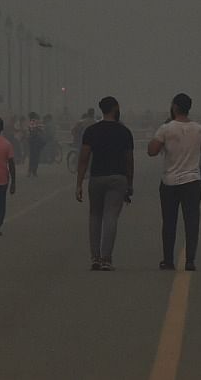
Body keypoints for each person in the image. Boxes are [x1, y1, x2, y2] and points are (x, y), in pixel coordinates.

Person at [148, 93, 201, 271]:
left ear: (175, 107)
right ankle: (190, 260)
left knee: (169, 222)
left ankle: (168, 260)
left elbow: (152, 150)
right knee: (192, 222)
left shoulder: (166, 128)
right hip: (192, 181)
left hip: (169, 182)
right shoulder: (199, 129)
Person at [74, 96, 134, 271]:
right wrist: (130, 183)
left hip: (97, 178)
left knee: (95, 216)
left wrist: (79, 183)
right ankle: (107, 259)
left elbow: (83, 158)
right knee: (111, 217)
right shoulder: (124, 132)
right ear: (115, 108)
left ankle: (95, 257)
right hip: (118, 178)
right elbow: (129, 160)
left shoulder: (92, 131)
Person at [26, 112, 45, 177]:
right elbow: (42, 130)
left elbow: (29, 131)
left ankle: (30, 171)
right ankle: (34, 171)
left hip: (33, 141)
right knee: (36, 156)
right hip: (38, 142)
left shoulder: (32, 122)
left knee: (32, 157)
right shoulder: (39, 122)